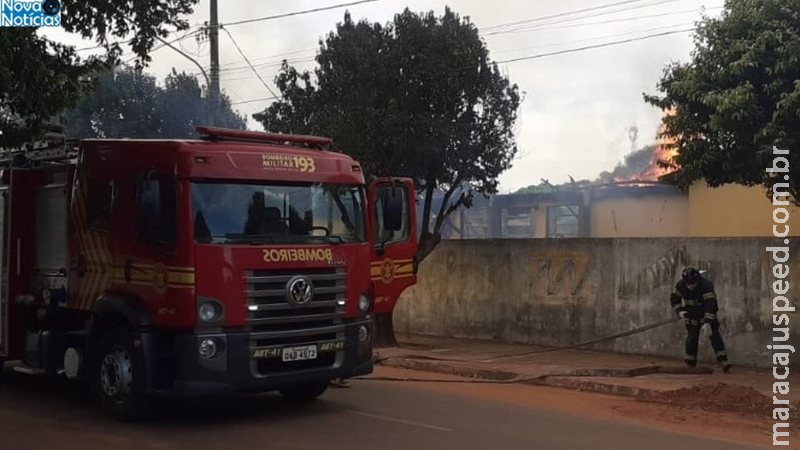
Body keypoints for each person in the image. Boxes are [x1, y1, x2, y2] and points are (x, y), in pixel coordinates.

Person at [670, 267, 732, 372]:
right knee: (691, 339)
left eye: (693, 283)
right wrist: (680, 311)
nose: (691, 286)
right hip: (691, 315)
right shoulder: (681, 285)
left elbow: (711, 305)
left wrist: (707, 321)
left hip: (706, 314)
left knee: (715, 337)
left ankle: (723, 361)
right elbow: (675, 299)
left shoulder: (706, 286)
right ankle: (690, 364)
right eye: (688, 284)